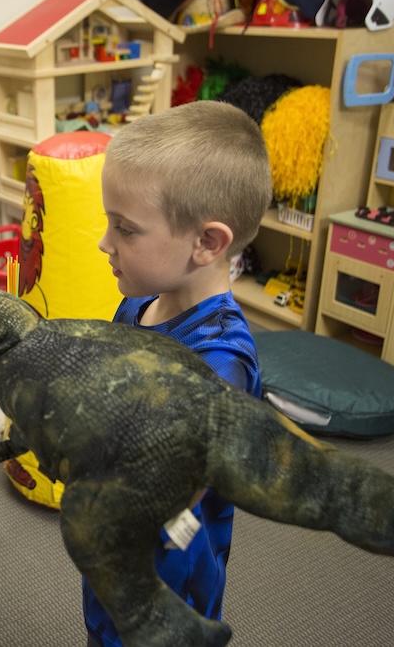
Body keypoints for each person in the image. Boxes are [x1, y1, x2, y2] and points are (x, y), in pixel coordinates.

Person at [84, 100, 272, 646]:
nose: (104, 243)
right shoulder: (140, 306)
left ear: (207, 242)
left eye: (126, 229)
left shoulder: (221, 363)